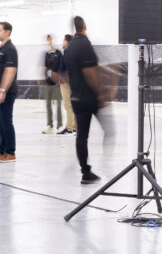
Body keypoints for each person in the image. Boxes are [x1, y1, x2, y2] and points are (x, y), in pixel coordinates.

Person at [60, 16, 111, 184]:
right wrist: (101, 94)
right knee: (109, 130)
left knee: (82, 135)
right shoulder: (84, 44)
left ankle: (85, 172)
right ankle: (107, 166)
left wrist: (74, 88)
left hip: (76, 97)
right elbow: (90, 74)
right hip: (90, 97)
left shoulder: (69, 46)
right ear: (84, 26)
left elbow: (63, 74)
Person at [0, 21, 18, 163]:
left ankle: (10, 152)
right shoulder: (1, 49)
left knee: (6, 121)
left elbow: (11, 71)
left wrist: (2, 90)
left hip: (7, 92)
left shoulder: (10, 49)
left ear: (8, 32)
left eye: (0, 30)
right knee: (0, 121)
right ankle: (2, 150)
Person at [40, 34, 63, 134]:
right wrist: (43, 77)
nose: (49, 42)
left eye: (51, 40)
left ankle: (60, 125)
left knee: (58, 105)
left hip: (57, 83)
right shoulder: (46, 54)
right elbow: (45, 67)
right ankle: (49, 125)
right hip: (48, 83)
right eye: (48, 40)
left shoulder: (58, 53)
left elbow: (62, 67)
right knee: (48, 105)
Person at [55, 34, 77, 135]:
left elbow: (68, 69)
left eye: (63, 41)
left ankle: (69, 128)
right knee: (73, 105)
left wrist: (63, 79)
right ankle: (75, 127)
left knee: (68, 105)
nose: (62, 43)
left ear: (67, 42)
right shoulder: (73, 53)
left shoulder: (67, 53)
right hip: (72, 82)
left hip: (66, 83)